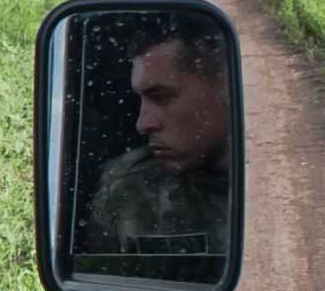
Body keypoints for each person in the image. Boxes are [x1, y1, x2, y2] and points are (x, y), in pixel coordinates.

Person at [82, 19, 232, 262]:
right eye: (141, 100)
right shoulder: (126, 190)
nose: (142, 124)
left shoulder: (275, 179)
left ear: (228, 89)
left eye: (161, 97)